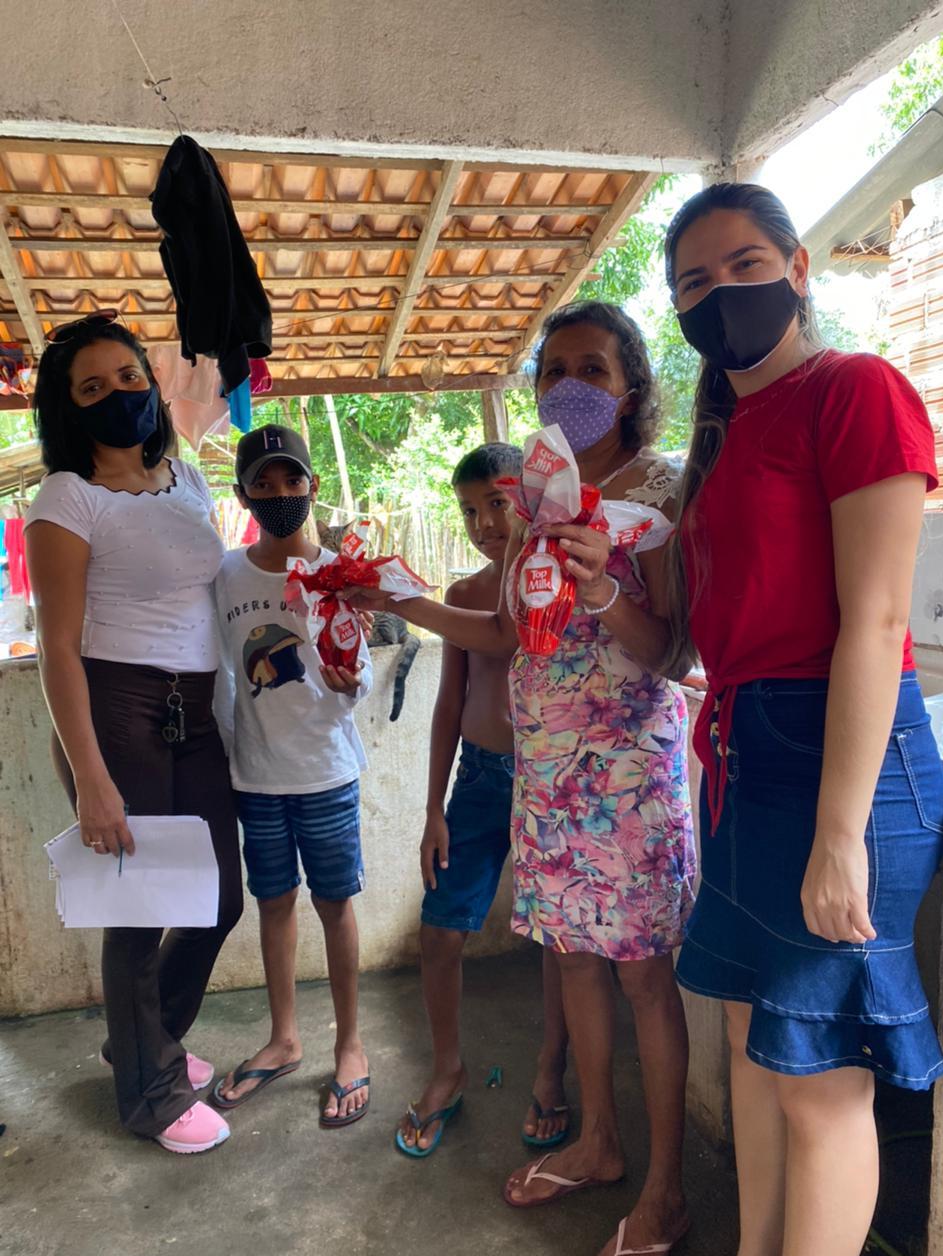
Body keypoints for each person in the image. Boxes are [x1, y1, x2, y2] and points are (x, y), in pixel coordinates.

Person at [350, 301, 696, 1256]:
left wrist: (600, 587)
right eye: (553, 370)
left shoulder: (662, 490)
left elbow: (673, 645)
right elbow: (504, 635)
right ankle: (597, 1139)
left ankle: (664, 1187)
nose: (569, 385)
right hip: (544, 775)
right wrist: (406, 601)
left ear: (632, 384)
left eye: (593, 366)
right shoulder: (538, 490)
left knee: (639, 974)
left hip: (626, 774)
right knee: (575, 963)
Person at [662, 183, 943, 1256]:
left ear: (797, 268)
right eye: (693, 280)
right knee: (748, 1042)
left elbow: (877, 622)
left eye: (743, 265)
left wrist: (840, 833)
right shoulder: (721, 437)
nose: (719, 293)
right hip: (741, 752)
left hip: (845, 760)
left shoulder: (855, 390)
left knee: (822, 1081)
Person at [24, 311, 243, 1155]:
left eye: (126, 378)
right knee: (140, 911)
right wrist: (91, 777)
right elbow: (59, 651)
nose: (116, 394)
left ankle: (147, 1042)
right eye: (91, 387)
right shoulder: (65, 498)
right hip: (117, 708)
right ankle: (149, 1095)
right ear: (69, 409)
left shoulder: (186, 481)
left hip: (196, 709)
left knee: (220, 896)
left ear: (150, 387)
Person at [396, 441, 572, 1157]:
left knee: (560, 943)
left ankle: (551, 1069)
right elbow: (449, 704)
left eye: (496, 504)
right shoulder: (464, 595)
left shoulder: (558, 583)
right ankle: (448, 1070)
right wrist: (433, 807)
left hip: (550, 779)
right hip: (478, 778)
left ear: (526, 499)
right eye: (469, 510)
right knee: (440, 930)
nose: (483, 523)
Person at [211, 425, 372, 1126]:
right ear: (243, 492)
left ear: (312, 483)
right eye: (263, 484)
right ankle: (284, 1038)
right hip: (255, 774)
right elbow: (218, 670)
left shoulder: (342, 573)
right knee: (273, 904)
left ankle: (352, 1045)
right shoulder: (227, 575)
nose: (280, 494)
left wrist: (348, 686)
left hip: (327, 771)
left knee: (336, 906)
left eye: (292, 480)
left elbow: (358, 677)